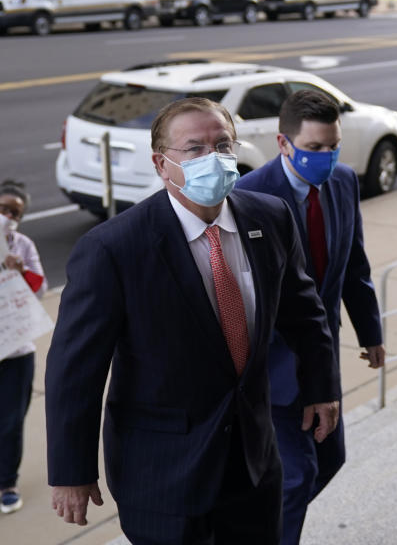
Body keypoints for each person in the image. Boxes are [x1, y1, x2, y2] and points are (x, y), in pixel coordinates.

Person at [45, 98, 341, 544]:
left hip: (253, 463)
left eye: (223, 144)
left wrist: (320, 387)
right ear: (161, 164)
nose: (213, 158)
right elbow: (74, 371)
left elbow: (305, 313)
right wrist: (72, 472)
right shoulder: (113, 249)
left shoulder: (271, 217)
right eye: (194, 148)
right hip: (163, 475)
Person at [236, 89, 384, 545]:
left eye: (333, 146)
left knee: (329, 459)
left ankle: (261, 523)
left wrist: (370, 331)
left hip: (322, 358)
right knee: (296, 475)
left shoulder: (343, 181)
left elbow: (353, 264)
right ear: (284, 144)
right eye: (314, 148)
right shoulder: (247, 194)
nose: (326, 157)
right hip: (271, 368)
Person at [0, 180, 47, 515]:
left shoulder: (24, 246)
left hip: (16, 349)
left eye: (14, 212)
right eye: (2, 209)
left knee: (12, 420)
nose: (7, 215)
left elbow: (41, 290)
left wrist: (21, 271)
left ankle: (7, 482)